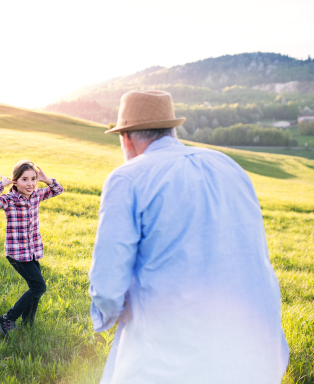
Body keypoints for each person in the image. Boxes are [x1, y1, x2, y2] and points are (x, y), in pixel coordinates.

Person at [89, 90, 289, 383]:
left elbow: (107, 289)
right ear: (172, 130)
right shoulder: (229, 166)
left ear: (126, 139)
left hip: (174, 362)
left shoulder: (127, 178)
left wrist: (106, 317)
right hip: (261, 352)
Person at [0, 160, 63, 337]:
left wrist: (46, 179)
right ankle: (7, 318)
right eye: (25, 179)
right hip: (17, 254)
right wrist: (1, 184)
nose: (30, 184)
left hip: (33, 251)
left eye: (33, 179)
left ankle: (28, 323)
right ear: (15, 181)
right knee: (38, 287)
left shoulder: (36, 195)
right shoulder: (9, 200)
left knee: (34, 287)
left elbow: (58, 190)